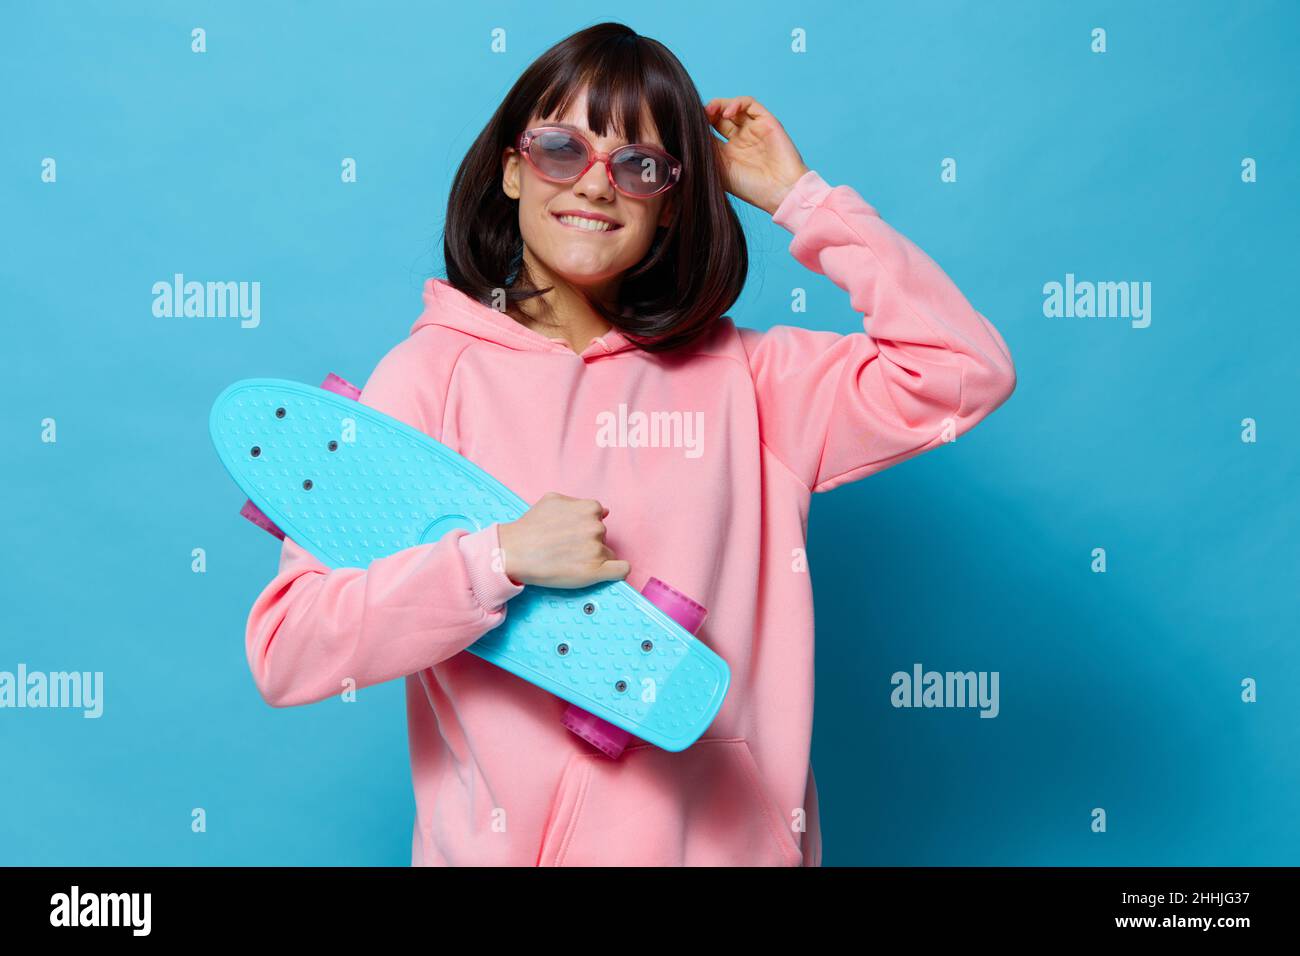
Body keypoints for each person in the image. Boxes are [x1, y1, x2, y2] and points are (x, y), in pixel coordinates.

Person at [244, 21, 1016, 866]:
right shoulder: (430, 375)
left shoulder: (754, 384)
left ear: (672, 200)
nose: (597, 185)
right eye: (560, 149)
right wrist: (494, 559)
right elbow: (290, 648)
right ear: (511, 169)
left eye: (639, 166)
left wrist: (801, 199)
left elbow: (963, 368)